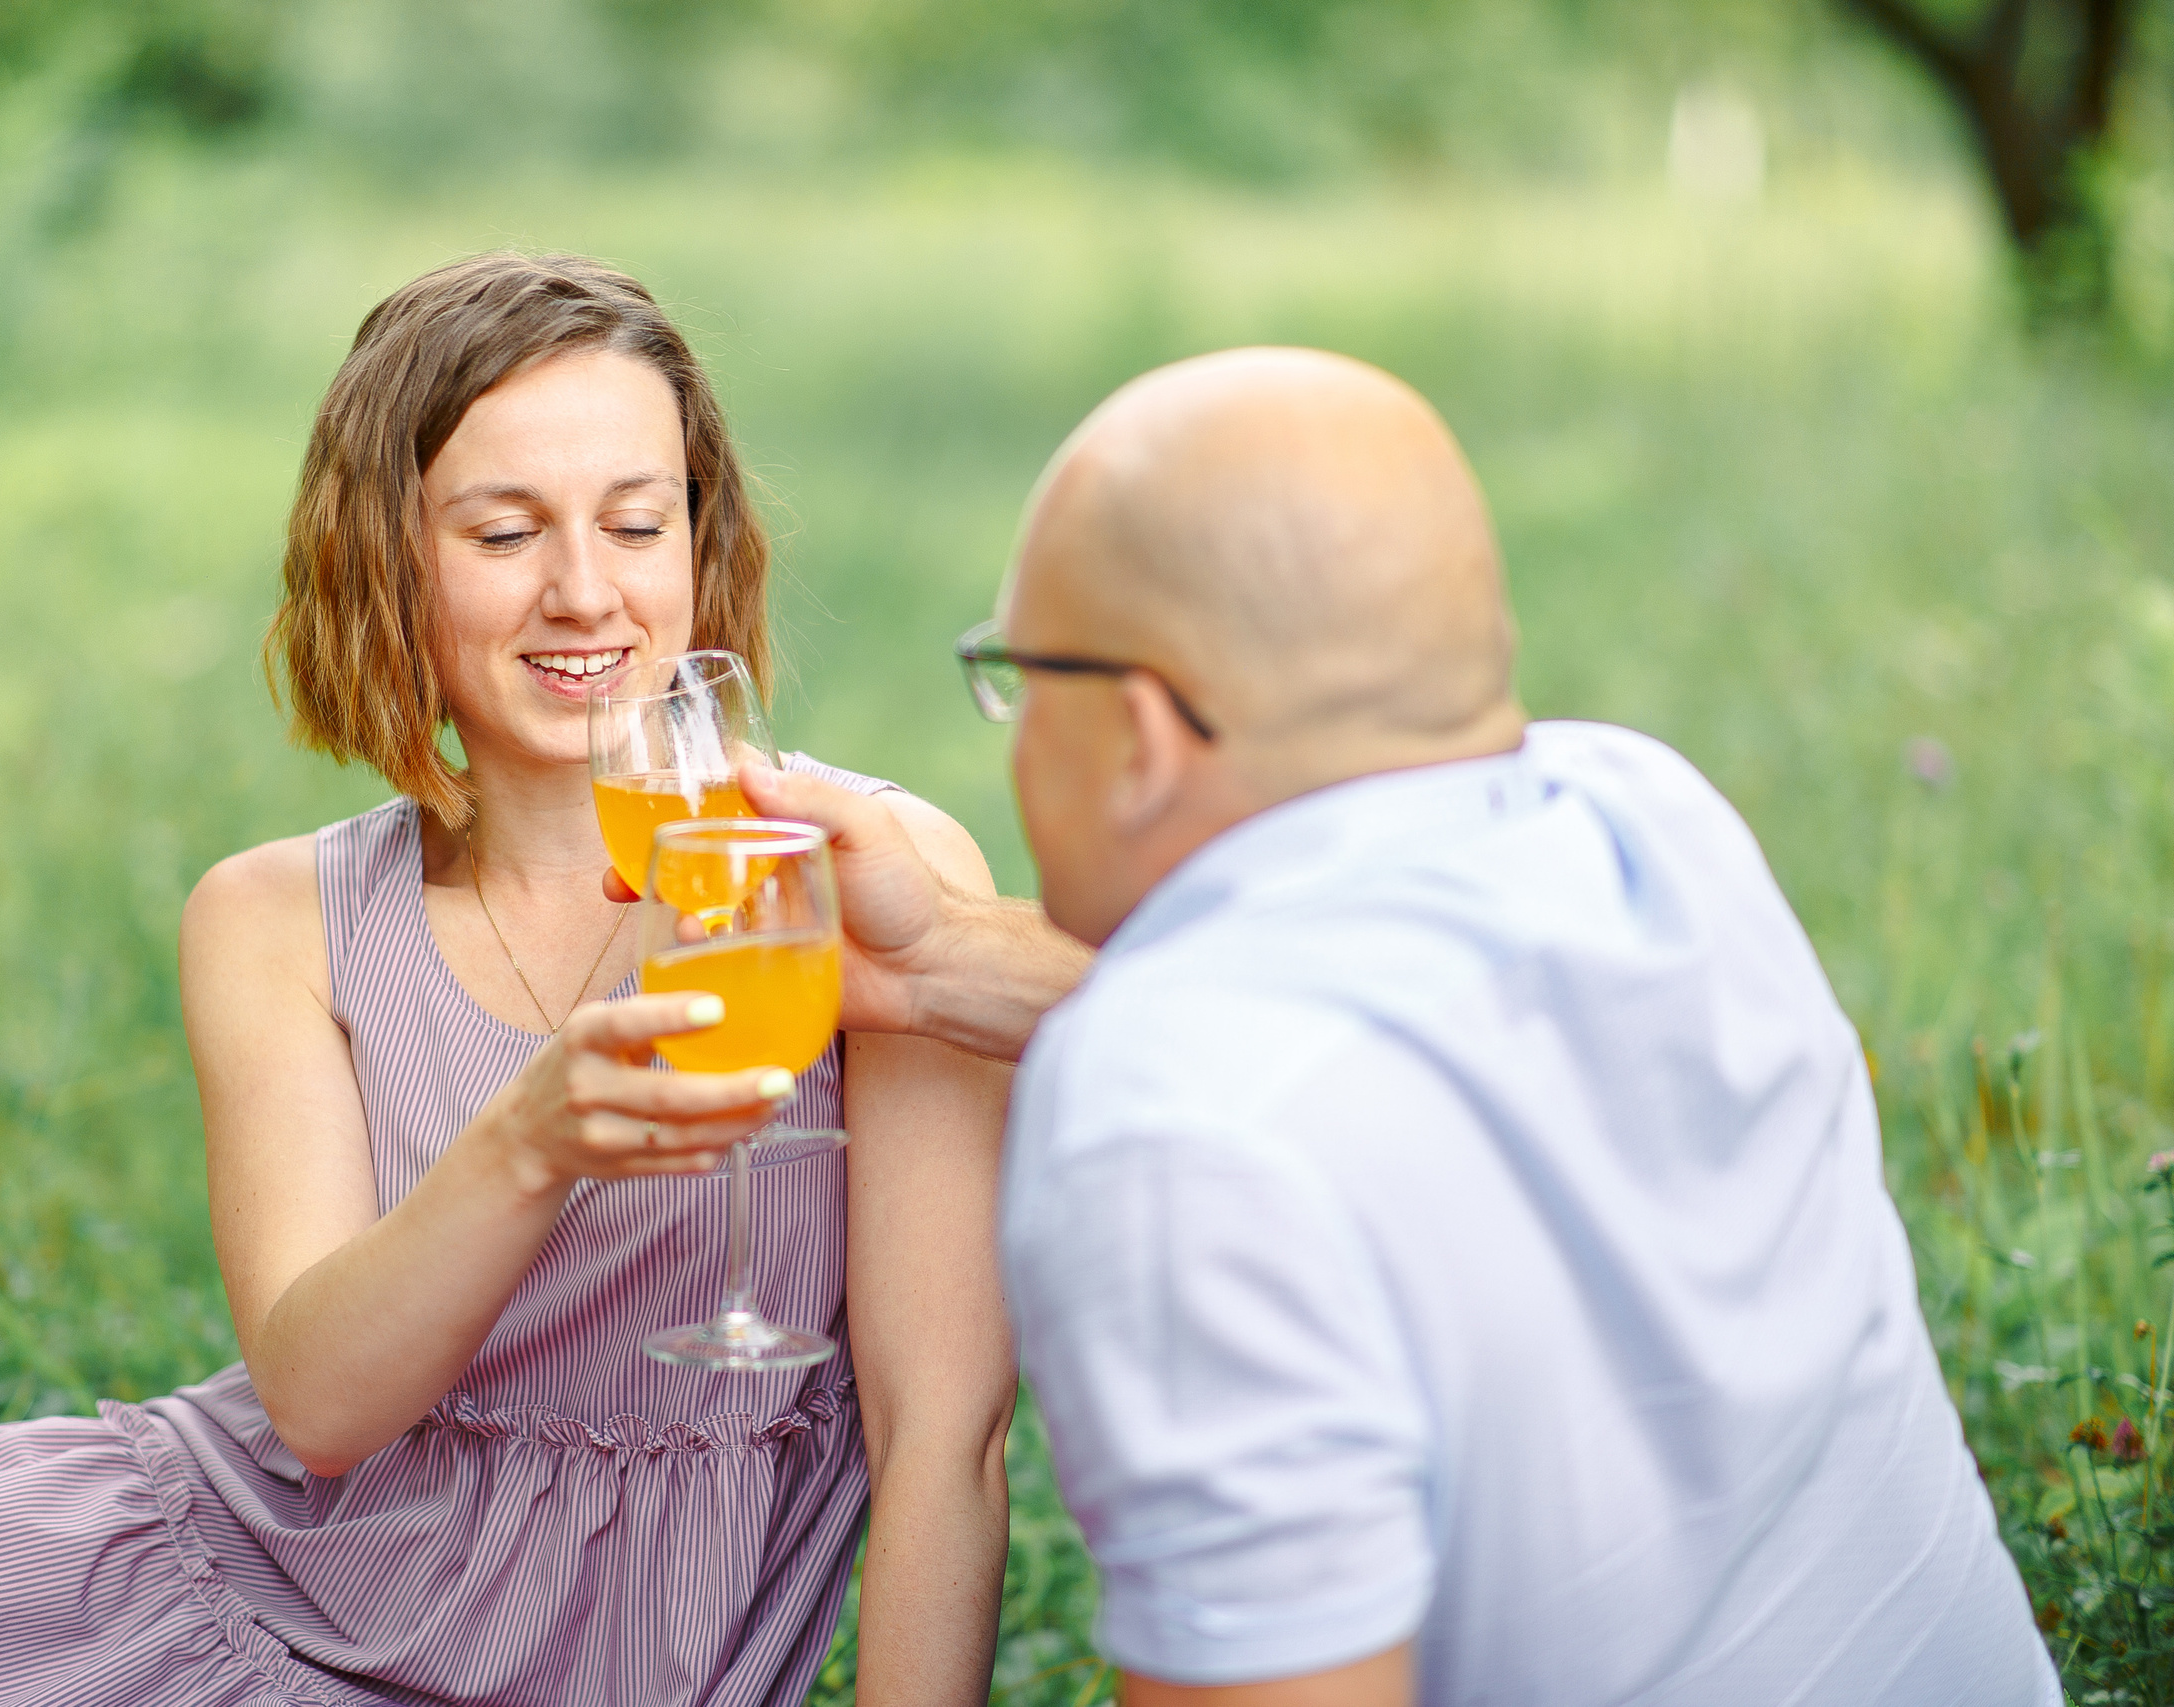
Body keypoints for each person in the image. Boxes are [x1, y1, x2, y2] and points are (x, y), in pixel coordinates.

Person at [0, 253, 1019, 1707]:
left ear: (697, 540)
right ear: (388, 559)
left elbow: (946, 1447)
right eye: (501, 532)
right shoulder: (276, 918)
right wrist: (529, 1140)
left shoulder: (860, 870)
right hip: (220, 1591)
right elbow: (324, 1407)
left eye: (636, 522)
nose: (584, 591)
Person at [721, 348, 2060, 1703]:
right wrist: (947, 956)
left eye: (1016, 677)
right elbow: (1357, 1036)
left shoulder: (1171, 1126)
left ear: (1141, 736)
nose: (1008, 730)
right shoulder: (1649, 818)